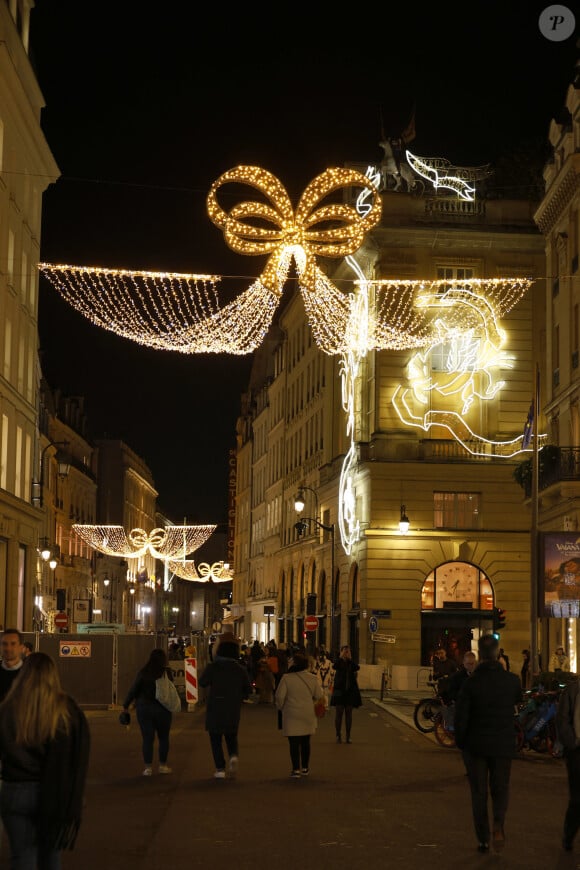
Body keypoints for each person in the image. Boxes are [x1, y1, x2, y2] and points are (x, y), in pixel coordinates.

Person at [0, 652, 90, 868]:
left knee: (22, 856)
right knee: (51, 856)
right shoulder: (65, 709)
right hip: (54, 792)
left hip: (15, 789)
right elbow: (77, 754)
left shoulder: (8, 707)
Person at [454, 634, 522, 854]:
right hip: (502, 745)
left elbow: (461, 718)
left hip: (475, 746)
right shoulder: (512, 681)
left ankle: (483, 838)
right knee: (500, 788)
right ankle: (499, 825)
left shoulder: (471, 683)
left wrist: (461, 742)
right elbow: (517, 704)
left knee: (479, 792)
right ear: (497, 653)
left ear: (481, 656)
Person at [198, 633, 251, 779]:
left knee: (215, 738)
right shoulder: (240, 669)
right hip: (232, 707)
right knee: (231, 735)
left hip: (215, 705)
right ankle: (233, 756)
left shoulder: (213, 667)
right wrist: (241, 695)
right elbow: (248, 688)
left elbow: (202, 682)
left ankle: (220, 768)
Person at [122, 648, 176, 776]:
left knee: (147, 739)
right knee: (163, 738)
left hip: (144, 709)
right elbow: (171, 688)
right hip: (163, 709)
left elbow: (134, 689)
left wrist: (126, 705)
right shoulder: (166, 672)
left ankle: (148, 768)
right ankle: (163, 766)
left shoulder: (143, 672)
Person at [275, 650, 322, 777]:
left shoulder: (286, 678)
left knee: (294, 742)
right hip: (307, 713)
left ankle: (296, 769)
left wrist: (281, 707)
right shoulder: (312, 678)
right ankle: (305, 768)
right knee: (306, 741)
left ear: (295, 663)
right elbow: (319, 695)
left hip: (291, 714)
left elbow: (279, 697)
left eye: (290, 660)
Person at [555, 677, 580, 850]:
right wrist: (573, 743)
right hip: (577, 751)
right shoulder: (572, 690)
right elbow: (562, 719)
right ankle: (568, 835)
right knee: (577, 798)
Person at [330, 645, 362, 744]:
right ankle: (338, 734)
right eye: (344, 651)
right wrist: (341, 657)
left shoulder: (351, 663)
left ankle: (348, 736)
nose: (346, 653)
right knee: (339, 714)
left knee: (349, 714)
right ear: (341, 652)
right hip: (339, 691)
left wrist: (349, 659)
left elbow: (357, 667)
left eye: (347, 651)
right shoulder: (339, 662)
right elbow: (334, 666)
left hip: (349, 692)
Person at [0, 628, 25, 701]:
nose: (8, 648)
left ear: (21, 647)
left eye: (13, 644)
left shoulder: (29, 674)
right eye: (4, 644)